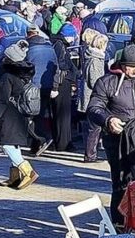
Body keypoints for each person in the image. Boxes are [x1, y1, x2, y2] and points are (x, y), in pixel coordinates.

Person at [87, 45, 135, 225]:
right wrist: (108, 119)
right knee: (120, 182)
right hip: (116, 139)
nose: (134, 71)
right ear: (121, 64)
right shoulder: (107, 82)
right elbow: (94, 107)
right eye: (130, 67)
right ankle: (120, 225)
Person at [0, 40, 40, 189]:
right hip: (21, 113)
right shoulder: (25, 73)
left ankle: (28, 172)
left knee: (7, 145)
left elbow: (2, 100)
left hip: (9, 115)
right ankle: (14, 178)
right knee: (14, 144)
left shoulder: (7, 77)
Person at [26, 24, 57, 153]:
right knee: (41, 113)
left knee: (29, 115)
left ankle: (42, 138)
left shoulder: (29, 49)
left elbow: (25, 68)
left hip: (33, 87)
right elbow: (56, 66)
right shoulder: (50, 48)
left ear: (28, 35)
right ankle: (35, 145)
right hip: (47, 85)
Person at [51, 23, 79, 152]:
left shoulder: (58, 44)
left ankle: (63, 141)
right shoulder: (60, 46)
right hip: (62, 83)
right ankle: (63, 142)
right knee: (63, 114)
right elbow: (61, 66)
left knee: (62, 114)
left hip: (62, 83)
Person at [80, 33, 108, 163]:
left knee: (92, 128)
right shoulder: (96, 59)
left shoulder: (91, 56)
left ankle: (90, 153)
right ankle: (90, 155)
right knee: (94, 128)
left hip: (89, 95)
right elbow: (95, 81)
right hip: (92, 96)